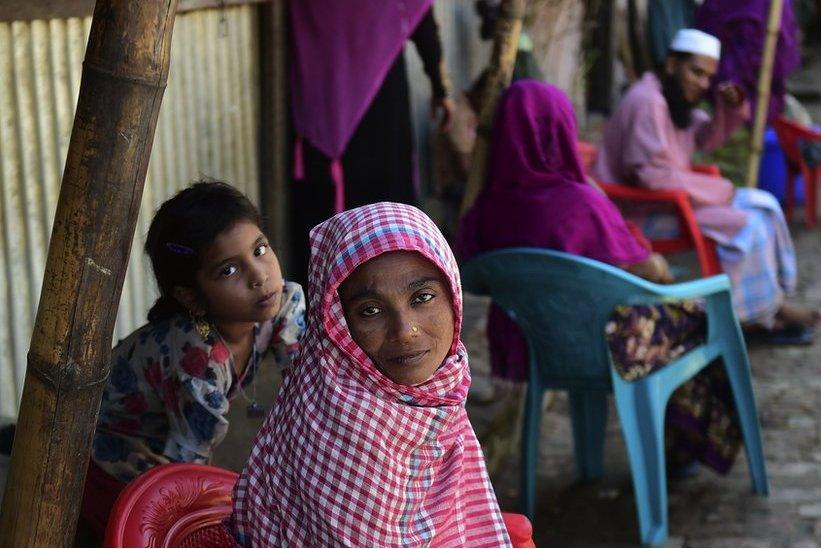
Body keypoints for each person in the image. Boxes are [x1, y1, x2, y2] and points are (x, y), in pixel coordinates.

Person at [458, 80, 743, 475]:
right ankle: (687, 445)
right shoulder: (579, 203)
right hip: (607, 343)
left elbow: (473, 276)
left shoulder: (485, 210)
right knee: (701, 317)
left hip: (536, 346)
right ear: (560, 131)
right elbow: (648, 269)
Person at [230, 203, 511, 547]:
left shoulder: (437, 390)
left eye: (422, 297)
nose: (405, 330)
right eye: (371, 310)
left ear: (452, 295)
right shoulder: (343, 439)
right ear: (335, 324)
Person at [80, 182, 306, 539]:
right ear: (192, 297)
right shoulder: (198, 358)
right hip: (115, 459)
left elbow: (310, 388)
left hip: (167, 449)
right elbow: (184, 474)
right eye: (229, 271)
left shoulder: (283, 304)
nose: (260, 276)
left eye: (260, 249)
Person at [594, 29, 821, 342]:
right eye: (696, 72)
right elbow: (650, 176)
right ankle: (749, 318)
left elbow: (707, 137)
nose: (702, 83)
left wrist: (731, 108)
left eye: (707, 77)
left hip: (674, 199)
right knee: (748, 224)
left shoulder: (671, 98)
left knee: (765, 206)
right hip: (644, 209)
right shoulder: (647, 101)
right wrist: (717, 191)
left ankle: (771, 304)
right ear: (673, 64)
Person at [288, 4, 454, 287]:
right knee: (384, 200)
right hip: (380, 99)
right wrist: (440, 87)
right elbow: (420, 18)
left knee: (326, 205)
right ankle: (395, 290)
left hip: (322, 101)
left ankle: (328, 304)